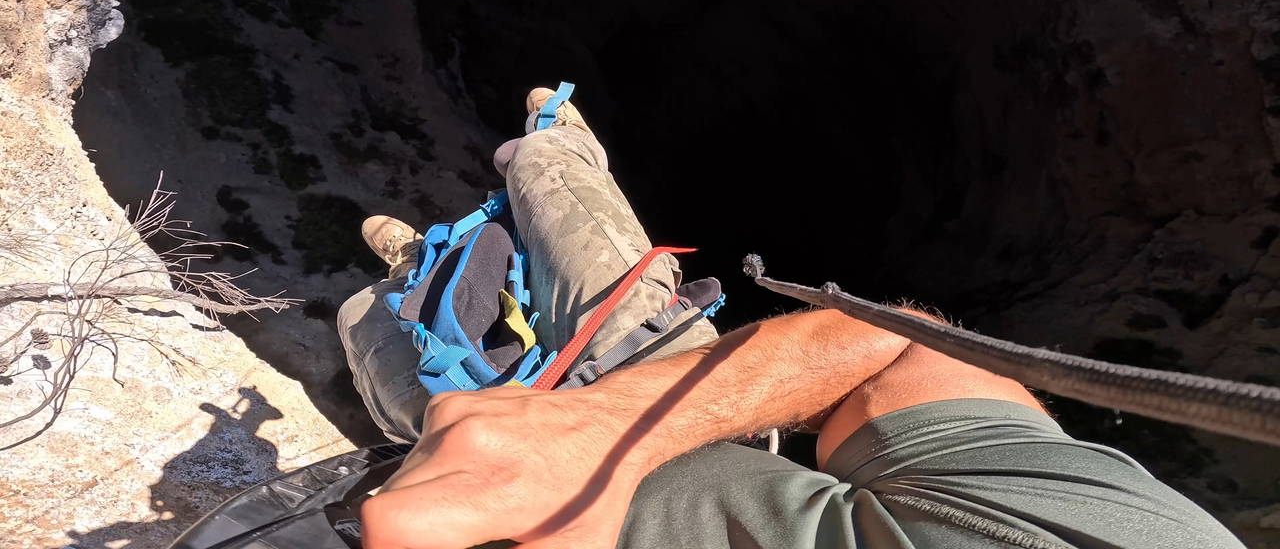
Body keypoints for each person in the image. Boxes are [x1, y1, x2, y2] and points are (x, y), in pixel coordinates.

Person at [337, 89, 1243, 549]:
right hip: (660, 393)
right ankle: (559, 139)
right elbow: (888, 348)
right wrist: (599, 421)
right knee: (545, 175)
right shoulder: (1120, 536)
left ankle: (414, 267)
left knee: (375, 326)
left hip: (484, 493)